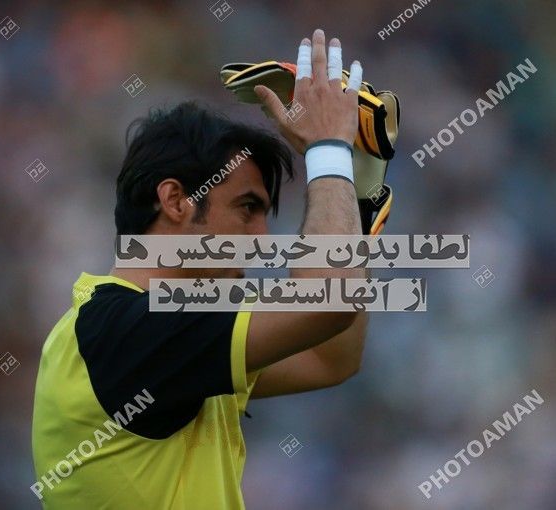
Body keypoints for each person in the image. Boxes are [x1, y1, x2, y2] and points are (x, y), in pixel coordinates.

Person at [31, 28, 368, 509]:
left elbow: (330, 357)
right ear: (175, 201)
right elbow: (331, 303)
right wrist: (330, 150)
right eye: (247, 208)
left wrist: (358, 185)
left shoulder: (154, 332)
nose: (262, 240)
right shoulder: (129, 330)